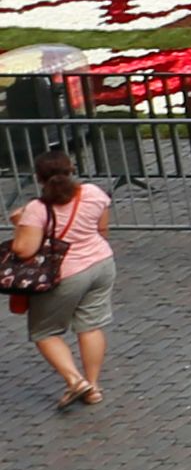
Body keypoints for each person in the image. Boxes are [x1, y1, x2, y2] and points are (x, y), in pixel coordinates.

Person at [14, 149, 111, 409]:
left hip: (64, 274)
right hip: (101, 264)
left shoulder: (37, 209)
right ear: (71, 170)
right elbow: (102, 229)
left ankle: (75, 380)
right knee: (90, 326)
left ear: (39, 178)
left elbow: (24, 249)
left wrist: (18, 225)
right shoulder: (93, 193)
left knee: (44, 331)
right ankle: (93, 387)